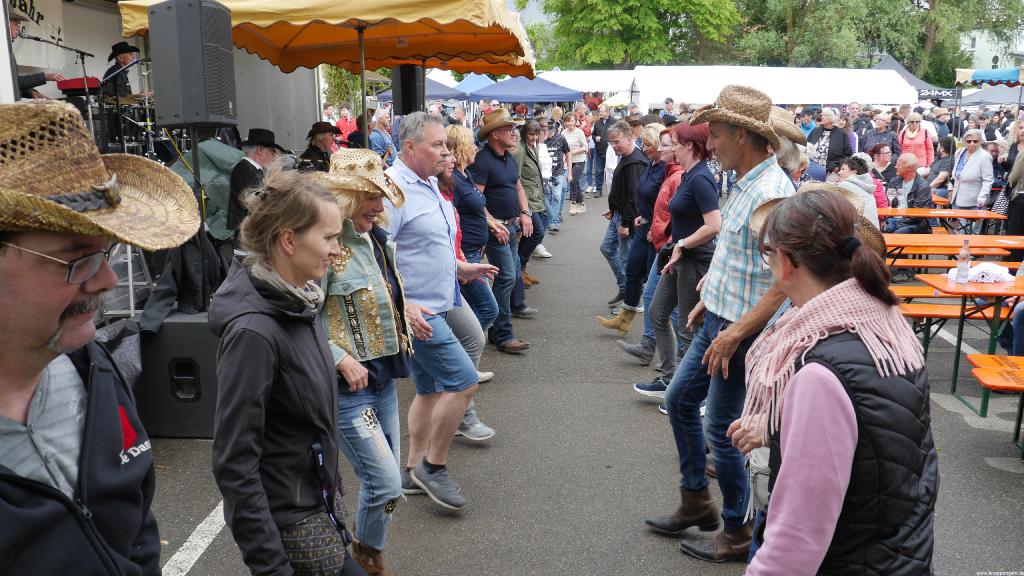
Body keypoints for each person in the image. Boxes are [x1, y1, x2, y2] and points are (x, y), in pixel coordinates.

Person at [0, 101, 196, 575]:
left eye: (105, 253)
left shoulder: (93, 367)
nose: (107, 280)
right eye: (77, 259)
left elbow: (136, 523)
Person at [733, 189, 937, 574]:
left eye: (767, 253)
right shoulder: (885, 327)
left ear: (785, 262)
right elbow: (885, 444)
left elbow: (795, 543)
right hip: (897, 553)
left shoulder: (819, 372)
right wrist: (783, 427)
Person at [643, 85, 793, 564]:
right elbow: (739, 256)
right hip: (722, 321)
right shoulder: (747, 181)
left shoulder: (770, 193)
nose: (711, 144)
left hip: (740, 333)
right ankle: (696, 501)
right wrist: (710, 297)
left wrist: (735, 331)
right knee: (680, 401)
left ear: (743, 136)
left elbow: (786, 281)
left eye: (717, 134)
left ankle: (737, 528)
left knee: (724, 433)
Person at [210, 165, 369, 575]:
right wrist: (271, 565)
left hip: (320, 511)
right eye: (329, 238)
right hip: (293, 532)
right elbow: (235, 463)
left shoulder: (299, 301)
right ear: (288, 239)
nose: (337, 250)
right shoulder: (254, 333)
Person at [385, 112, 499, 510]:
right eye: (437, 145)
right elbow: (378, 257)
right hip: (419, 313)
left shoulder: (430, 183)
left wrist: (461, 268)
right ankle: (433, 467)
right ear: (409, 147)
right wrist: (406, 304)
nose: (445, 152)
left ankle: (413, 469)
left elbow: (430, 245)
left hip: (440, 300)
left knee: (430, 390)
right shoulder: (393, 190)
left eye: (446, 145)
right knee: (464, 382)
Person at [316, 150, 414, 575]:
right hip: (350, 392)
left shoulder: (377, 239)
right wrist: (339, 357)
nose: (378, 205)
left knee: (386, 488)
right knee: (387, 484)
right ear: (346, 199)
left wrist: (408, 311)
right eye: (369, 196)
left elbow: (382, 295)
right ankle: (365, 556)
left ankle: (366, 550)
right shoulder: (327, 248)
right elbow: (299, 318)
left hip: (385, 381)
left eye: (380, 196)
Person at [633, 122, 720, 399]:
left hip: (694, 259)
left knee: (687, 328)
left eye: (675, 144)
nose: (666, 149)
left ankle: (687, 393)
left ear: (690, 147)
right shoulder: (689, 175)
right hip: (679, 255)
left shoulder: (701, 178)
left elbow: (714, 225)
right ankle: (671, 379)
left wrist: (682, 244)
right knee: (657, 312)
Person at [469, 108, 534, 354]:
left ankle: (497, 330)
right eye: (509, 129)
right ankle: (502, 334)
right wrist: (493, 224)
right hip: (496, 230)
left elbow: (518, 188)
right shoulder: (483, 161)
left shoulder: (508, 157)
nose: (514, 133)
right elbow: (476, 200)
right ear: (495, 134)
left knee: (511, 276)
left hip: (511, 225)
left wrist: (525, 213)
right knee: (506, 276)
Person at [597, 123, 666, 335]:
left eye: (649, 145)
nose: (645, 148)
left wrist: (628, 222)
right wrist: (618, 210)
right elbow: (635, 194)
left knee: (648, 282)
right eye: (643, 144)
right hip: (640, 222)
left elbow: (643, 197)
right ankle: (625, 315)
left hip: (648, 227)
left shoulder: (643, 164)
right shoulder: (648, 164)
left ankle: (649, 337)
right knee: (632, 268)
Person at [446, 125, 499, 335]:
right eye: (471, 143)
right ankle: (459, 351)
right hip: (466, 254)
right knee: (488, 309)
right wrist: (461, 261)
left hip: (473, 252)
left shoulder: (465, 174)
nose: (475, 147)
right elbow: (450, 221)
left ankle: (463, 351)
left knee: (478, 309)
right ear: (460, 147)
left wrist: (489, 221)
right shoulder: (453, 180)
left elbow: (471, 207)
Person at [602, 119, 646, 308]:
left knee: (628, 261)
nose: (613, 146)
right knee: (607, 248)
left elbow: (634, 196)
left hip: (627, 218)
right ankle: (626, 289)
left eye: (617, 141)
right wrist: (613, 208)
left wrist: (626, 223)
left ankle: (633, 300)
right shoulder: (627, 157)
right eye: (611, 142)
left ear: (629, 138)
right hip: (619, 214)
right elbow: (624, 190)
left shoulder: (635, 162)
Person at [228, 128, 285, 236]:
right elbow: (250, 201)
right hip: (246, 229)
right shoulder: (244, 169)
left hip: (252, 227)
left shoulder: (253, 169)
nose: (273, 157)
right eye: (272, 152)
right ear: (260, 150)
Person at [514, 119, 548, 292]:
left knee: (531, 234)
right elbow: (515, 178)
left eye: (536, 134)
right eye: (531, 134)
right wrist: (522, 207)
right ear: (524, 133)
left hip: (536, 197)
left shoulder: (532, 147)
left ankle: (522, 269)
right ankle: (519, 269)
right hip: (527, 200)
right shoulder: (520, 150)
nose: (534, 137)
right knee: (537, 233)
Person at [8, 13, 66, 99]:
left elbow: (13, 81)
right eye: (16, 24)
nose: (18, 28)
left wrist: (31, 92)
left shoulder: (7, 50)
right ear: (4, 23)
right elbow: (13, 81)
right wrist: (45, 77)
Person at [883, 153, 932, 234]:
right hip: (893, 219)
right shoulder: (894, 181)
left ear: (909, 168)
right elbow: (887, 203)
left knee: (896, 234)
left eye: (898, 165)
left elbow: (917, 214)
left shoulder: (923, 186)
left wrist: (898, 224)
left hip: (915, 223)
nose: (895, 167)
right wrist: (885, 220)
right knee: (877, 233)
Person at [951, 129, 994, 217]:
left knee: (971, 226)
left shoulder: (985, 156)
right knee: (954, 224)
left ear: (980, 141)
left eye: (975, 141)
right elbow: (955, 174)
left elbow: (988, 180)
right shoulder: (959, 152)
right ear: (964, 142)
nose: (972, 143)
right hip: (956, 198)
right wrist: (950, 188)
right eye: (969, 141)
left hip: (975, 202)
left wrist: (982, 197)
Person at [837, 156, 882, 227]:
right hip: (873, 230)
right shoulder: (866, 185)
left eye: (843, 169)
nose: (839, 172)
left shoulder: (845, 185)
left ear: (854, 171)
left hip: (859, 230)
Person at [807, 107, 853, 177]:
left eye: (826, 115)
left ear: (833, 118)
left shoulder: (841, 134)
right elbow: (807, 146)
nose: (822, 117)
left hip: (830, 173)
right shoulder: (815, 131)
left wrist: (838, 167)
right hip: (812, 170)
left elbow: (848, 154)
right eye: (822, 115)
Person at [545, 117, 571, 232]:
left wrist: (569, 173)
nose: (549, 132)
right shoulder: (541, 139)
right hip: (545, 174)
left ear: (555, 129)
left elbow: (568, 153)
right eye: (547, 130)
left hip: (559, 172)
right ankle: (550, 218)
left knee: (556, 196)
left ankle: (554, 221)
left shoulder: (561, 138)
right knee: (547, 197)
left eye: (551, 129)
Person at [563, 113, 589, 214]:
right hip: (568, 161)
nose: (570, 123)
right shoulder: (563, 133)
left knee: (573, 180)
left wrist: (573, 152)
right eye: (568, 121)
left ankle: (573, 203)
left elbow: (585, 147)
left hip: (579, 160)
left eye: (572, 121)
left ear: (575, 122)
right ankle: (581, 203)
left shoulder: (579, 132)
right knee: (574, 182)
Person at [593, 104, 612, 198]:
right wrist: (595, 138)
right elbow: (593, 134)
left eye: (601, 111)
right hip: (599, 150)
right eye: (599, 111)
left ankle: (613, 190)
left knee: (611, 170)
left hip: (611, 152)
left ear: (607, 112)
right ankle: (598, 189)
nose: (599, 113)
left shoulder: (614, 122)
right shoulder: (597, 123)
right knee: (599, 171)